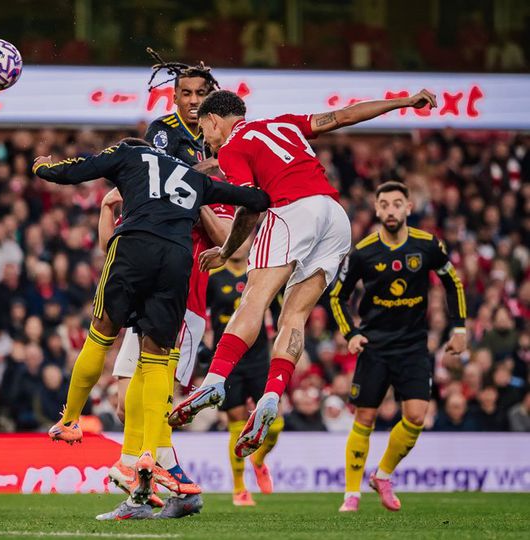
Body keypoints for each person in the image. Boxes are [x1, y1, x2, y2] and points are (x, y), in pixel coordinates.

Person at [169, 88, 440, 459]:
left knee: (254, 299)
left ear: (214, 120)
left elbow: (250, 206)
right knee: (293, 316)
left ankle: (214, 381)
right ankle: (271, 395)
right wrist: (404, 102)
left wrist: (226, 250)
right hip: (335, 217)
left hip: (293, 210)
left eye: (205, 131)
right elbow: (345, 116)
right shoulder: (285, 125)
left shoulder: (232, 148)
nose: (207, 140)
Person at [34, 139, 270, 519]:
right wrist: (271, 190)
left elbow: (78, 169)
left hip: (140, 254)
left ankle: (70, 421)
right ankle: (144, 460)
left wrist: (43, 168)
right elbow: (254, 199)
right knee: (144, 376)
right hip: (176, 261)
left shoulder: (128, 154)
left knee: (101, 334)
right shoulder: (193, 178)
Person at [101, 55, 234, 519]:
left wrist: (200, 190)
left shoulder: (227, 159)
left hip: (184, 289)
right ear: (174, 97)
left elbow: (226, 238)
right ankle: (151, 488)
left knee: (159, 394)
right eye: (186, 94)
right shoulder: (164, 136)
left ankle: (171, 485)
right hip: (149, 278)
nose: (193, 102)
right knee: (126, 403)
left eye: (201, 95)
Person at [329, 181, 467, 512]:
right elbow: (337, 296)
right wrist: (351, 333)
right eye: (384, 205)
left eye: (396, 204)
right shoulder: (363, 251)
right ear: (377, 210)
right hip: (374, 345)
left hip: (413, 345)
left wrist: (460, 327)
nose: (390, 210)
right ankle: (351, 494)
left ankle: (383, 475)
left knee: (416, 417)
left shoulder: (427, 245)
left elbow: (453, 282)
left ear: (408, 207)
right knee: (365, 417)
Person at [206, 241, 282, 506]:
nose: (239, 244)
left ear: (251, 242)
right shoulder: (213, 277)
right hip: (229, 362)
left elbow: (279, 314)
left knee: (275, 422)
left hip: (259, 359)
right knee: (236, 423)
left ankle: (259, 459)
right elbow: (202, 314)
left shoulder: (262, 274)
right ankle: (240, 489)